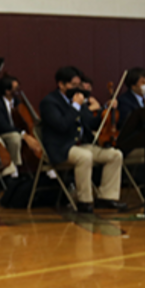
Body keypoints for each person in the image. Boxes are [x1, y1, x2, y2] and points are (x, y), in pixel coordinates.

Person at [38, 66, 126, 213]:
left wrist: (106, 110)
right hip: (61, 148)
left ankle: (107, 197)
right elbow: (61, 125)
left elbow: (91, 122)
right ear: (61, 84)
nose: (76, 88)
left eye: (78, 85)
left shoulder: (78, 100)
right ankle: (85, 201)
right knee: (85, 157)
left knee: (114, 155)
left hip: (82, 144)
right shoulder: (49, 102)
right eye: (72, 85)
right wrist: (75, 106)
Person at [0, 74, 25, 173]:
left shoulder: (18, 102)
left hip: (16, 130)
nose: (18, 91)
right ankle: (13, 167)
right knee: (15, 138)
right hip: (3, 133)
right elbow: (1, 126)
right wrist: (21, 133)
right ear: (7, 91)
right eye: (15, 88)